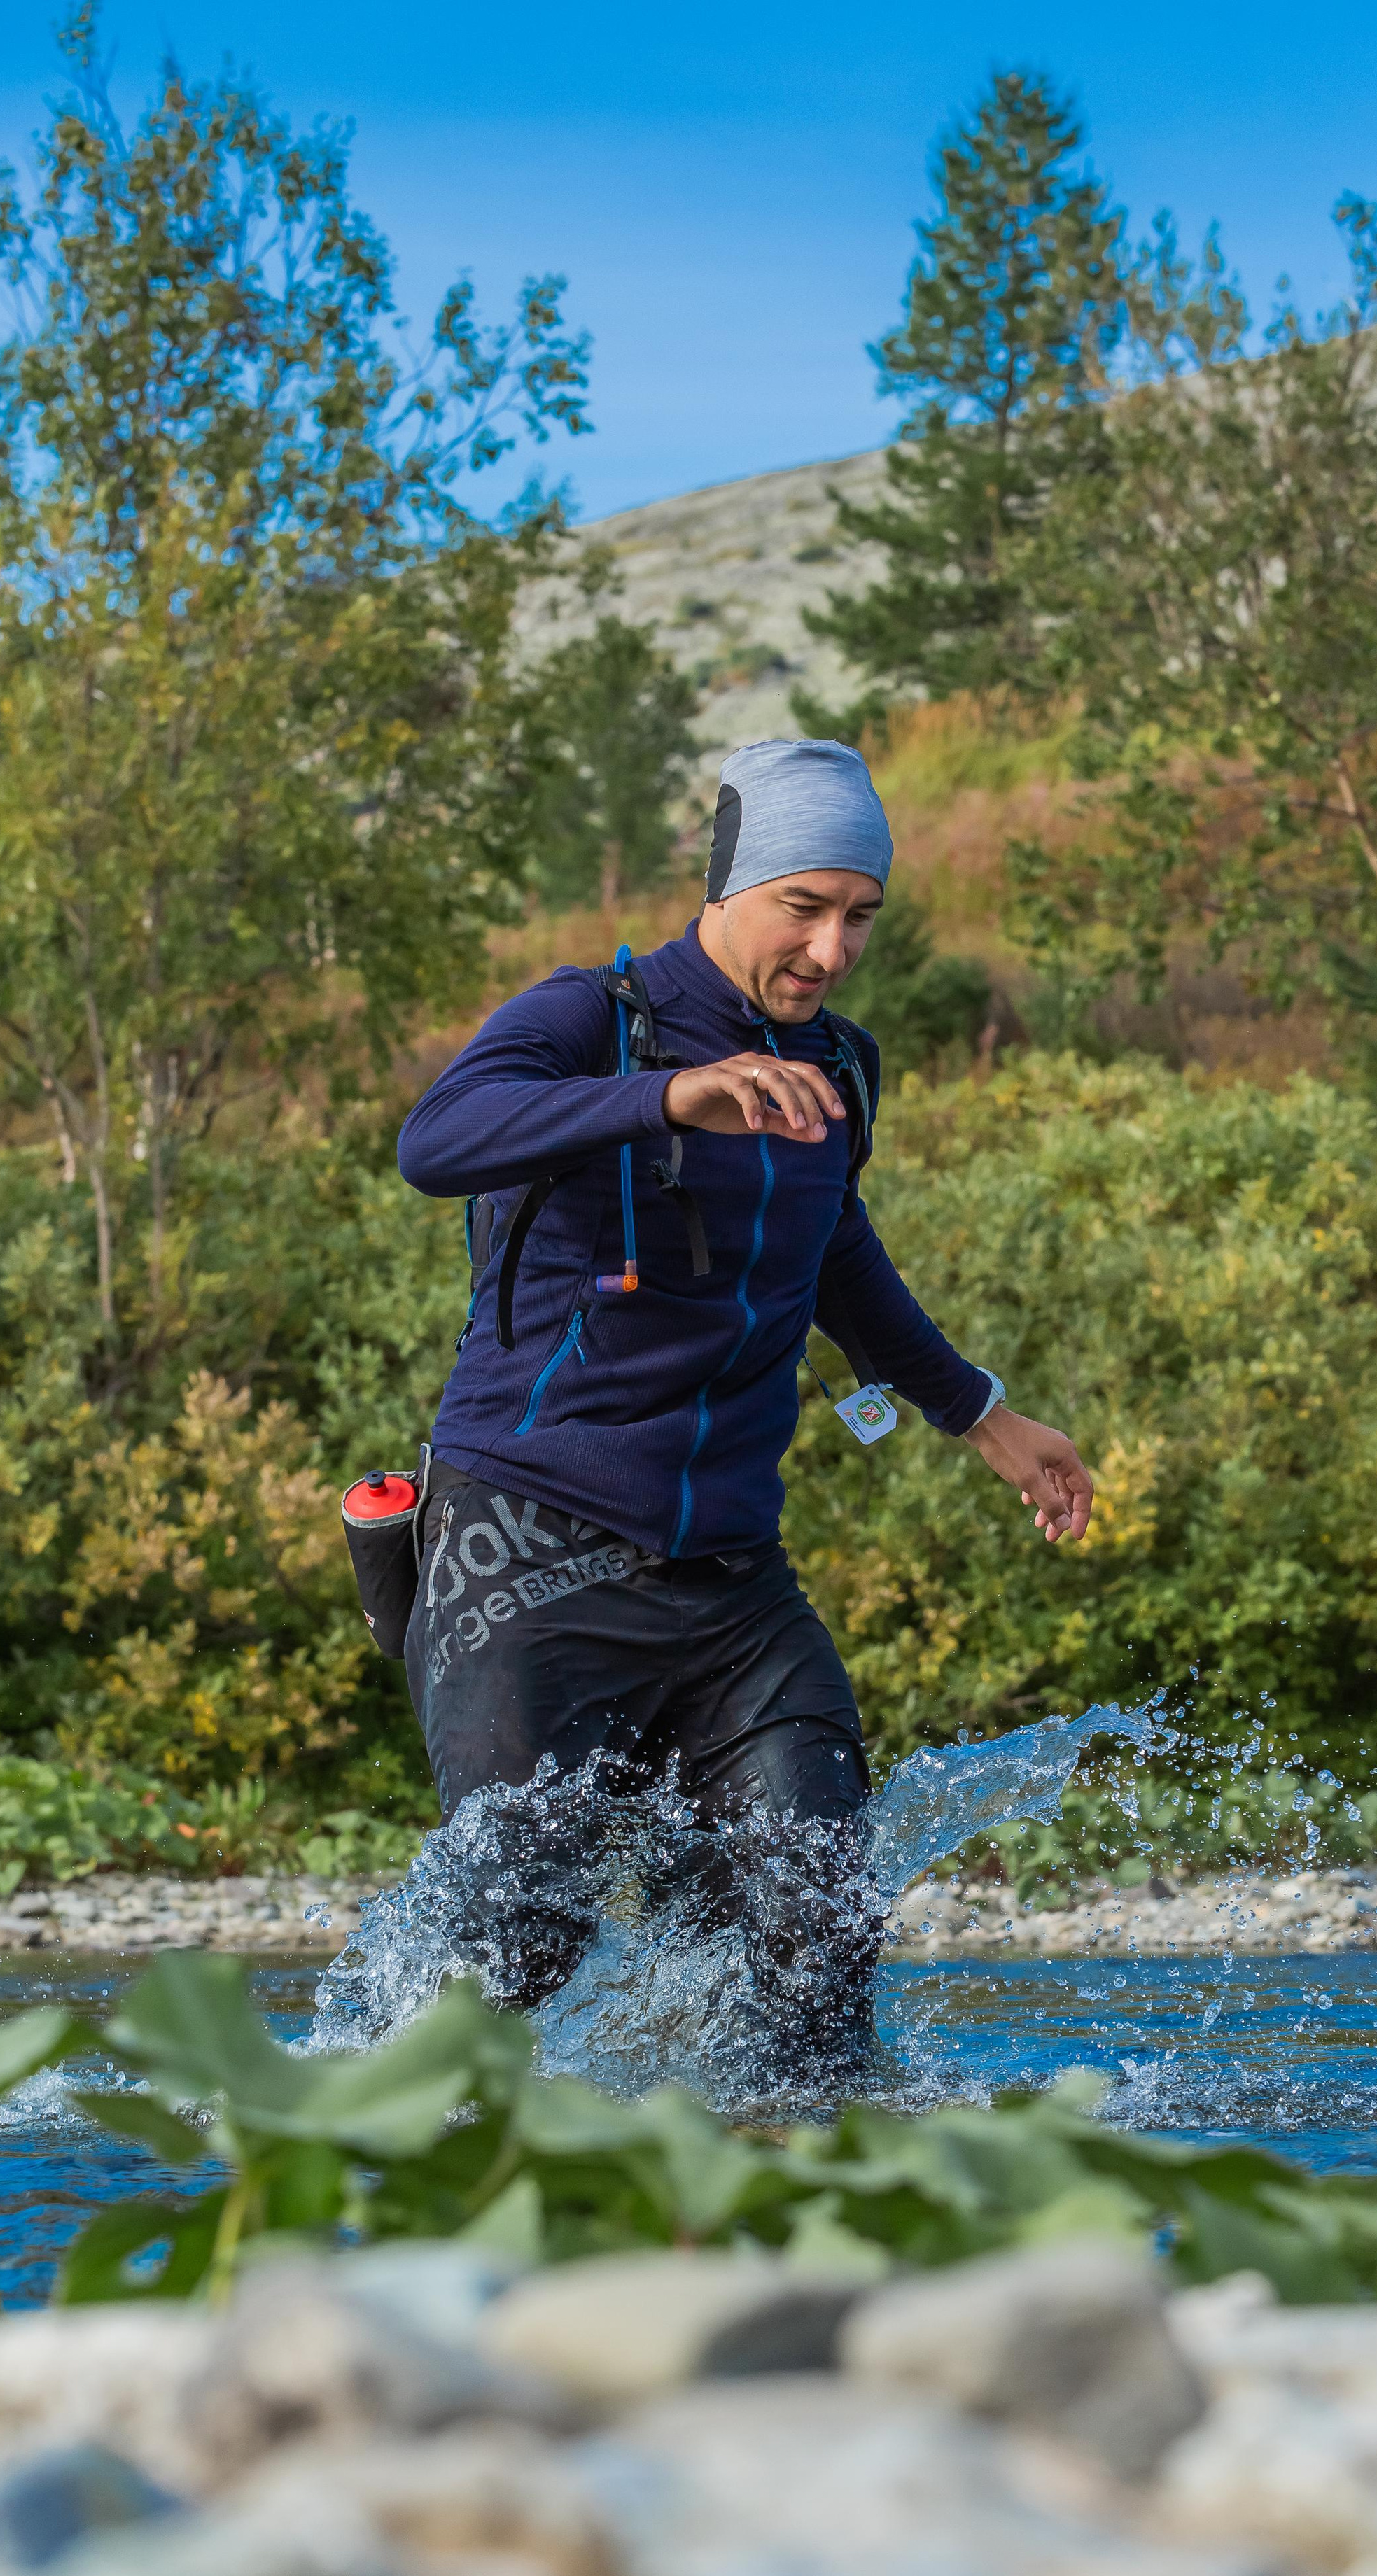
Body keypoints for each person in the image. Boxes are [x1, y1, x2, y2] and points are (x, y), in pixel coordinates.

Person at [396, 736, 1092, 2078]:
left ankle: (776, 2172)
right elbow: (435, 1143)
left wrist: (981, 1416)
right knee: (512, 1954)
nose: (831, 950)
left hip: (729, 1578)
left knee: (815, 1936)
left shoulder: (842, 1064)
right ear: (726, 885)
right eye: (803, 907)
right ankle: (376, 2145)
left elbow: (835, 1254)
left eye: (861, 916)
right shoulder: (587, 1019)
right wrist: (670, 1097)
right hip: (526, 1544)